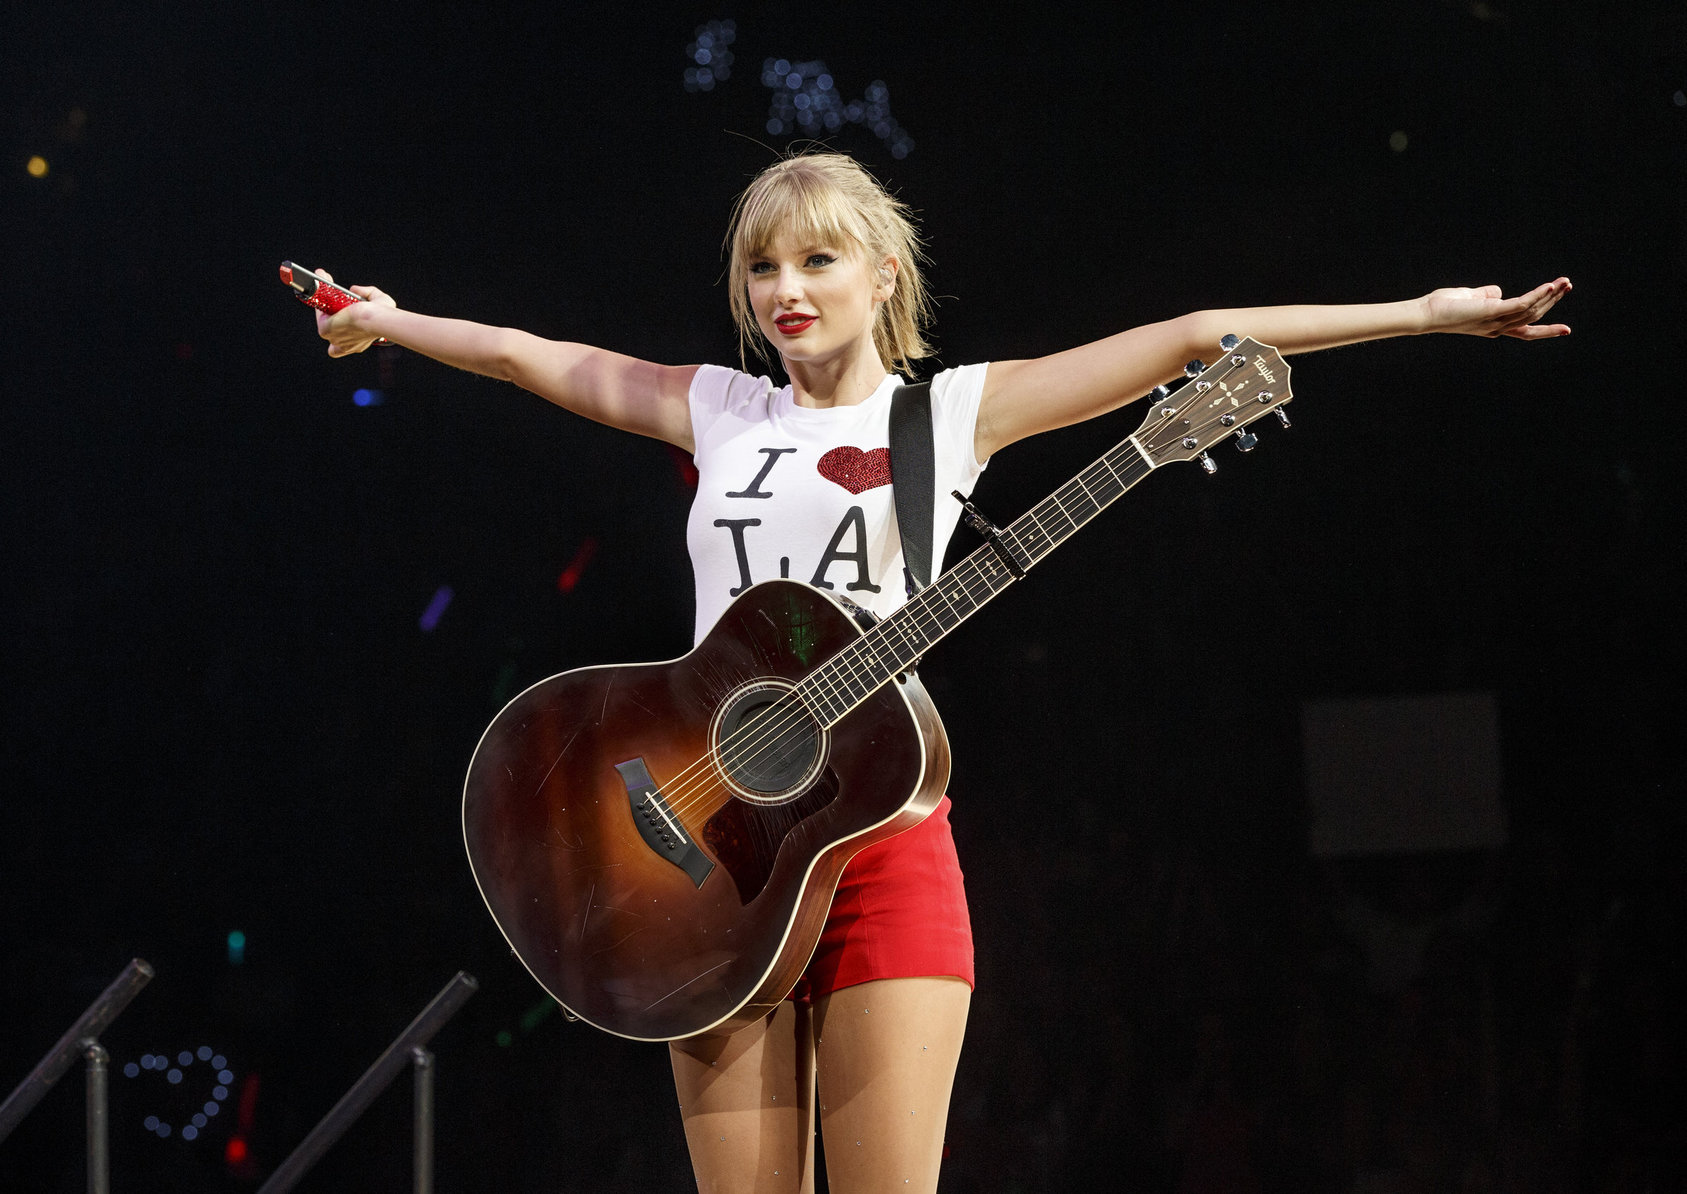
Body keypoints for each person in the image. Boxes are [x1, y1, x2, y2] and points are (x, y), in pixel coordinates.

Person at [311, 151, 1570, 1193]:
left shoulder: (950, 416)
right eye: (761, 266)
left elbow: (1195, 336)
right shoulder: (721, 410)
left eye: (817, 260)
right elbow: (524, 354)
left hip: (879, 854)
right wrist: (386, 320)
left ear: (884, 274)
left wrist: (1423, 315)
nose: (784, 290)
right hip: (703, 864)